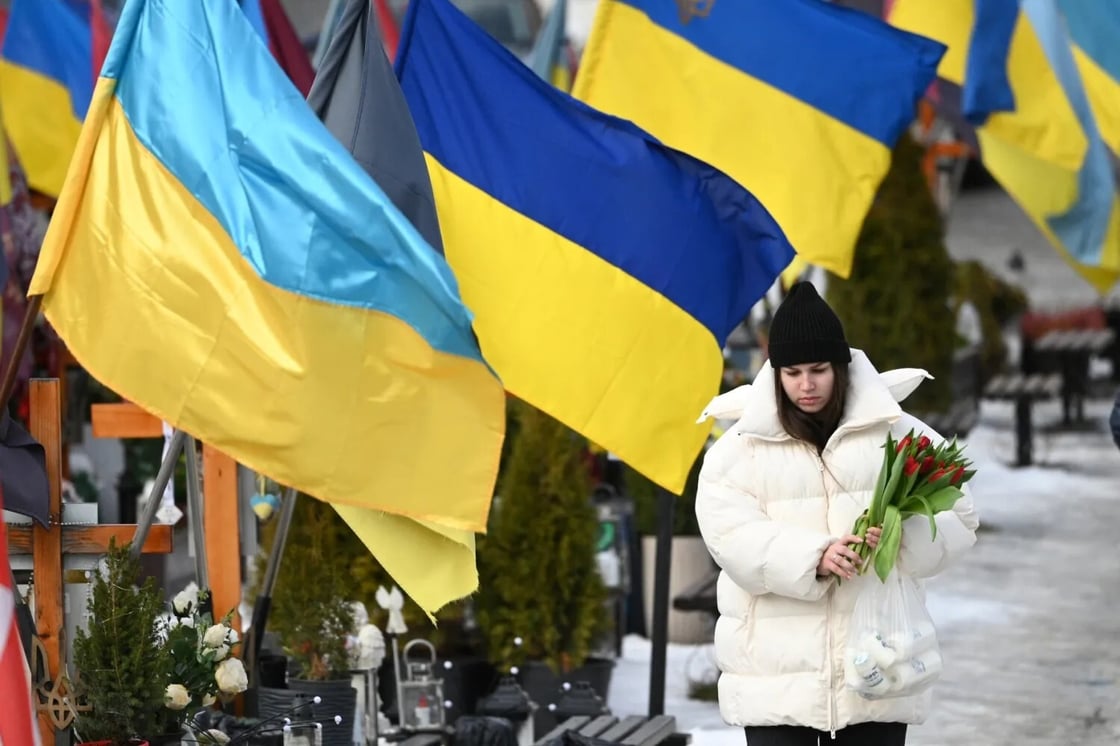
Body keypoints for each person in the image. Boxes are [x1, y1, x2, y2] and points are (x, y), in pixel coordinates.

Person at [695, 282, 979, 746]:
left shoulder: (898, 431)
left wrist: (895, 536)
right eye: (792, 372)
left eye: (819, 369)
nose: (806, 385)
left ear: (841, 367)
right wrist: (813, 558)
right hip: (775, 676)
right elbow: (728, 534)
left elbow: (959, 515)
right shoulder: (739, 448)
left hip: (877, 664)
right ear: (775, 374)